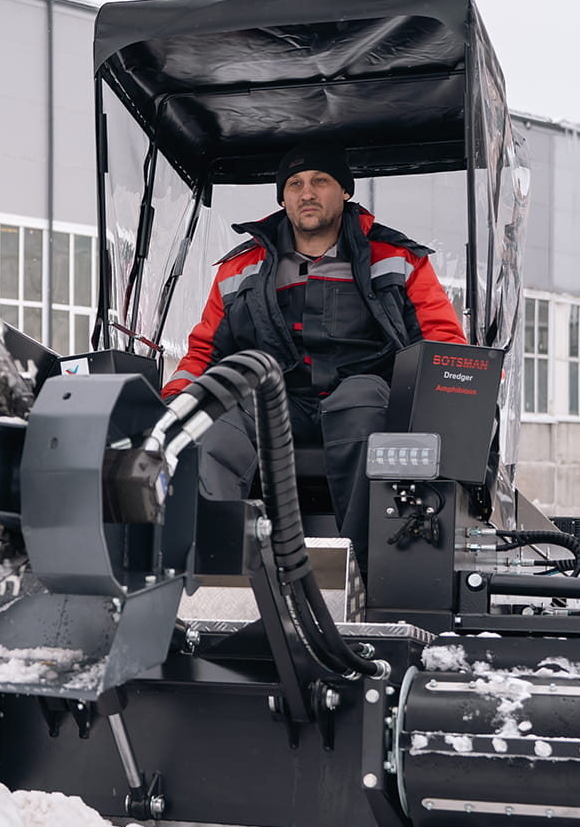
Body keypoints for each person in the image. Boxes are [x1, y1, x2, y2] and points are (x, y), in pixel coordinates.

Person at [160, 142, 466, 564]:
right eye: (295, 184)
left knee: (358, 398)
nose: (307, 192)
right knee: (214, 421)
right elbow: (203, 354)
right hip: (274, 403)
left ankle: (365, 567)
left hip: (363, 400)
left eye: (320, 181)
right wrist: (175, 408)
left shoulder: (396, 258)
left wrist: (458, 409)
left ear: (344, 191)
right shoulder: (239, 269)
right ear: (282, 197)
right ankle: (214, 567)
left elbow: (443, 343)